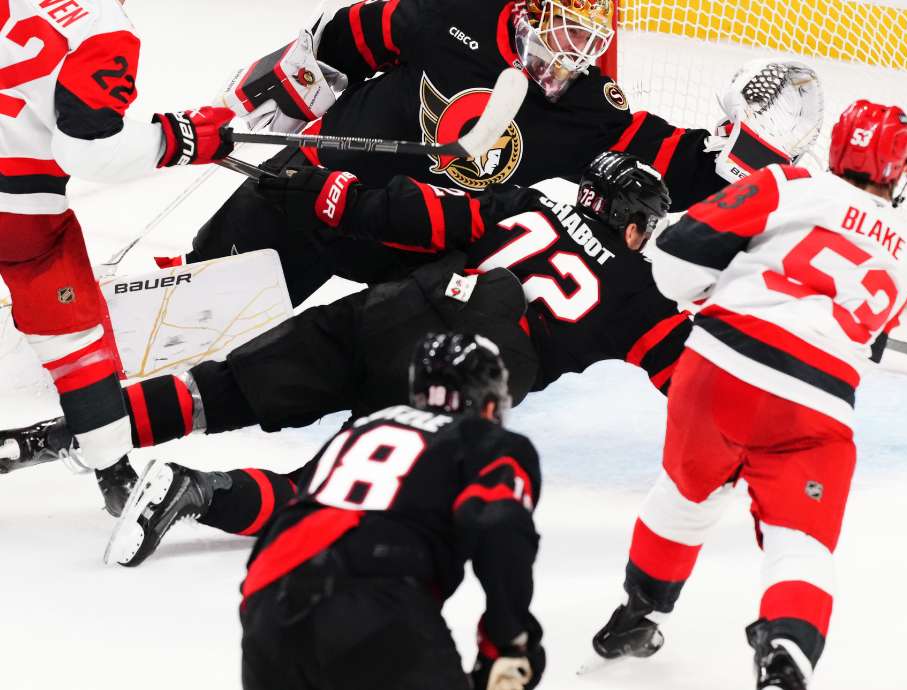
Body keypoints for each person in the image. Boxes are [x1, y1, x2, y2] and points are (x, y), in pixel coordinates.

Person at [95, 151, 690, 567]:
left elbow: (418, 214)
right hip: (456, 376)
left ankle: (62, 432)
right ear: (633, 223)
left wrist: (326, 196)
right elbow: (693, 375)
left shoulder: (526, 203)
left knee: (220, 389)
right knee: (328, 493)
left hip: (392, 311)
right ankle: (196, 491)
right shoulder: (640, 294)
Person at [587, 100, 907, 690]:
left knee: (686, 494)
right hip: (815, 403)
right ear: (899, 170)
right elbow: (868, 349)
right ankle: (785, 658)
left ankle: (637, 617)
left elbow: (674, 258)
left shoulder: (789, 181)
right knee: (801, 543)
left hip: (717, 366)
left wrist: (718, 289)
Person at [181, 0, 825, 304]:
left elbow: (675, 163)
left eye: (594, 40)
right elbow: (354, 33)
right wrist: (291, 83)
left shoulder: (588, 104)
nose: (582, 53)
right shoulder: (453, 16)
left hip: (412, 250)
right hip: (316, 192)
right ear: (533, 11)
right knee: (188, 315)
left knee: (377, 363)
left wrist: (755, 159)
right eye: (571, 29)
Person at [0, 0, 234, 514]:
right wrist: (181, 138)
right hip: (18, 214)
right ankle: (113, 473)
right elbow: (89, 151)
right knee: (73, 338)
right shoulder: (103, 26)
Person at [237, 332, 545, 690]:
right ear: (490, 403)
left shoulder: (357, 431)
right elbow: (499, 523)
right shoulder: (487, 440)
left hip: (267, 607)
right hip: (376, 604)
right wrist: (508, 640)